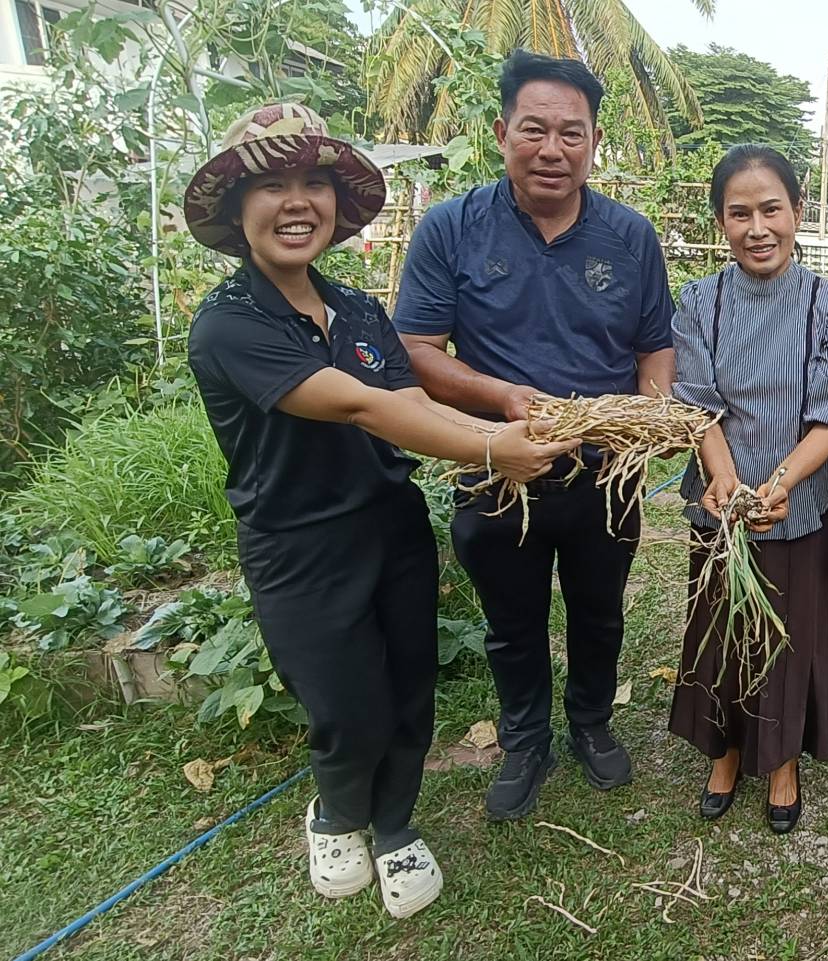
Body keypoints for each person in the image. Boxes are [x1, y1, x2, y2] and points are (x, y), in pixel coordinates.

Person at [184, 104, 570, 918]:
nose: (297, 202)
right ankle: (335, 809)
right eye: (272, 184)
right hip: (299, 547)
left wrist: (502, 429)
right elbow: (360, 407)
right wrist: (497, 450)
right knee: (347, 702)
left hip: (390, 529)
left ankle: (394, 826)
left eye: (314, 183)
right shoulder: (229, 323)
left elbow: (409, 402)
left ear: (335, 200)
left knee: (410, 689)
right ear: (234, 206)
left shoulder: (358, 313)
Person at [392, 50, 676, 821]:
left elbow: (655, 346)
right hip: (494, 467)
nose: (553, 149)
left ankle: (590, 721)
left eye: (572, 134)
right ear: (501, 132)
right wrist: (502, 399)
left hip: (602, 472)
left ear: (593, 142)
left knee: (601, 611)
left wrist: (642, 420)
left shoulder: (630, 236)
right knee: (511, 620)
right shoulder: (452, 227)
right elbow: (415, 350)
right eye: (535, 130)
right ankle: (525, 740)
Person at [666, 146, 828, 834]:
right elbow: (698, 403)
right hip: (720, 496)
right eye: (740, 212)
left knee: (793, 629)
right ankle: (723, 750)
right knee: (721, 625)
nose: (758, 227)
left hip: (800, 497)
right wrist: (726, 480)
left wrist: (776, 485)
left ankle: (782, 760)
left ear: (798, 212)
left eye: (771, 209)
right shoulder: (699, 301)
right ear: (721, 220)